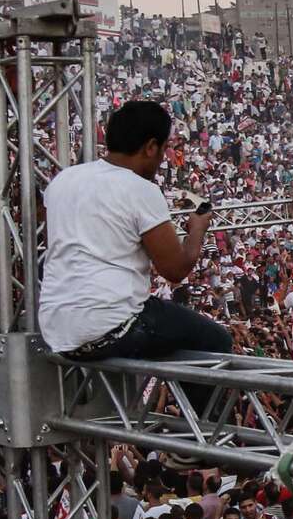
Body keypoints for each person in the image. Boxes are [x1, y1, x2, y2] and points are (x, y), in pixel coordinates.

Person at [38, 101, 232, 410]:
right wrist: (197, 230)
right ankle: (196, 433)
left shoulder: (64, 180)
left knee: (172, 328)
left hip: (57, 330)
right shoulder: (140, 189)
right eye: (165, 148)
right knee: (216, 340)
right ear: (151, 146)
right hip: (113, 326)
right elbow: (175, 270)